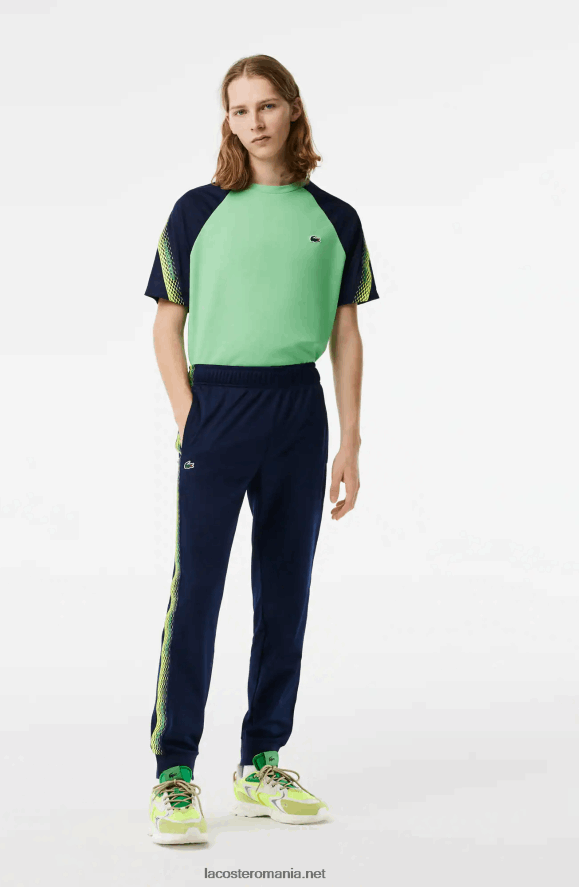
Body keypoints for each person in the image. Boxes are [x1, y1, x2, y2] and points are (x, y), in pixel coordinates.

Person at [143, 54, 379, 845]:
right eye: (239, 109)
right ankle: (174, 771)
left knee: (284, 592)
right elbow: (167, 323)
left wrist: (349, 439)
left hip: (296, 412)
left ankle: (261, 760)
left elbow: (345, 333)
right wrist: (189, 415)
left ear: (292, 110)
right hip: (217, 405)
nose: (254, 121)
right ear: (228, 120)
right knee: (198, 592)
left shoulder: (335, 217)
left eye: (267, 105)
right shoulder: (196, 210)